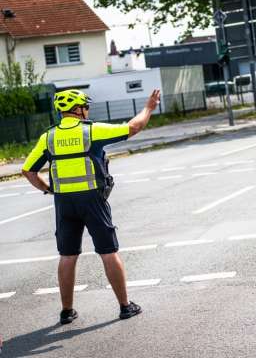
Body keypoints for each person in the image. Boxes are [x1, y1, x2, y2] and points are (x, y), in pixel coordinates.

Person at [22, 89, 161, 324]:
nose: (88, 110)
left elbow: (28, 170)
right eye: (85, 106)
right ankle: (125, 306)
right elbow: (132, 127)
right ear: (78, 109)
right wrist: (148, 108)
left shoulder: (48, 137)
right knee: (108, 251)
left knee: (67, 255)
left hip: (64, 202)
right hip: (92, 201)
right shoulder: (91, 130)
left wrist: (48, 189)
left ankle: (67, 311)